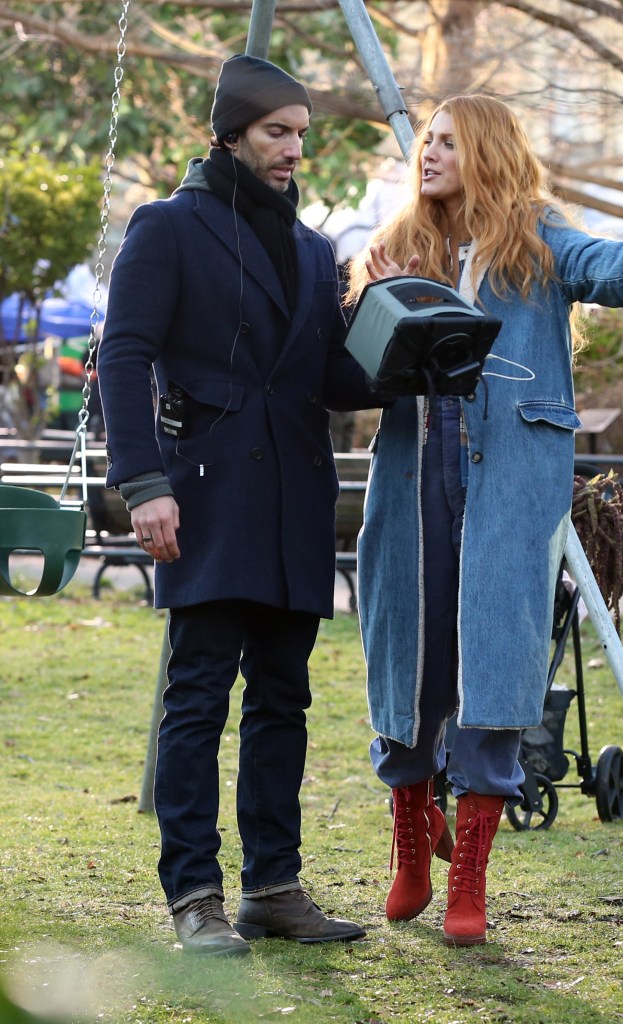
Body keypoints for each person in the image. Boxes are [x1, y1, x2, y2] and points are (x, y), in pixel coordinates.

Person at [343, 94, 623, 948]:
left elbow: (618, 268)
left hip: (510, 474)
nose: (429, 153)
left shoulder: (537, 239)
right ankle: (410, 843)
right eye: (427, 140)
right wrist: (366, 293)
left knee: (499, 656)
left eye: (448, 142)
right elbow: (359, 363)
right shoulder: (401, 242)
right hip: (415, 470)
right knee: (409, 655)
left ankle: (469, 875)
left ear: (484, 151)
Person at [98, 54, 379, 957]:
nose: (296, 147)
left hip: (296, 496)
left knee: (284, 701)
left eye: (301, 132)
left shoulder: (311, 248)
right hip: (205, 496)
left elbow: (332, 375)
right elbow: (125, 355)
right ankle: (194, 897)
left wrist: (410, 346)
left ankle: (273, 886)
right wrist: (145, 486)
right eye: (277, 132)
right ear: (230, 134)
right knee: (198, 699)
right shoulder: (167, 227)